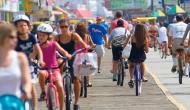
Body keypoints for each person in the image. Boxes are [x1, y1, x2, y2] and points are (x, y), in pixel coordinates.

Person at [56, 19, 89, 110]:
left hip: (73, 57)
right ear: (59, 27)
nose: (64, 29)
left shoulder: (73, 35)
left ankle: (76, 103)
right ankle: (58, 80)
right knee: (58, 65)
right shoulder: (57, 37)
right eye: (62, 27)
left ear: (69, 27)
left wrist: (85, 46)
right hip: (61, 57)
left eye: (65, 26)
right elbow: (50, 43)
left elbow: (82, 43)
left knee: (76, 80)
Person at [37, 24, 72, 110]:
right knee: (41, 73)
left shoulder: (54, 44)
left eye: (43, 35)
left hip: (55, 69)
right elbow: (32, 55)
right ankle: (43, 92)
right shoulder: (37, 46)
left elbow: (62, 50)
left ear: (48, 36)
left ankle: (62, 108)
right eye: (39, 35)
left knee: (60, 86)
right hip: (44, 70)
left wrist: (67, 54)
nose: (41, 37)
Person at [14, 14, 44, 110]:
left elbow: (38, 49)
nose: (22, 27)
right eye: (20, 25)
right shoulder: (13, 38)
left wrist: (41, 60)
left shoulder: (31, 37)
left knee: (32, 88)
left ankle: (34, 108)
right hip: (15, 66)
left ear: (28, 26)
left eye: (24, 25)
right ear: (16, 27)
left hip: (29, 66)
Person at [0, 24, 31, 99]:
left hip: (16, 101)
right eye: (11, 37)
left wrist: (26, 91)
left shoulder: (20, 57)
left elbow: (27, 81)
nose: (15, 40)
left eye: (16, 37)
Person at [126, 23, 149, 88]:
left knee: (131, 66)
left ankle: (131, 79)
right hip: (141, 55)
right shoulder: (145, 38)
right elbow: (147, 50)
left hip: (132, 55)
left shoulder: (133, 36)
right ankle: (143, 77)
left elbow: (127, 43)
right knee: (142, 63)